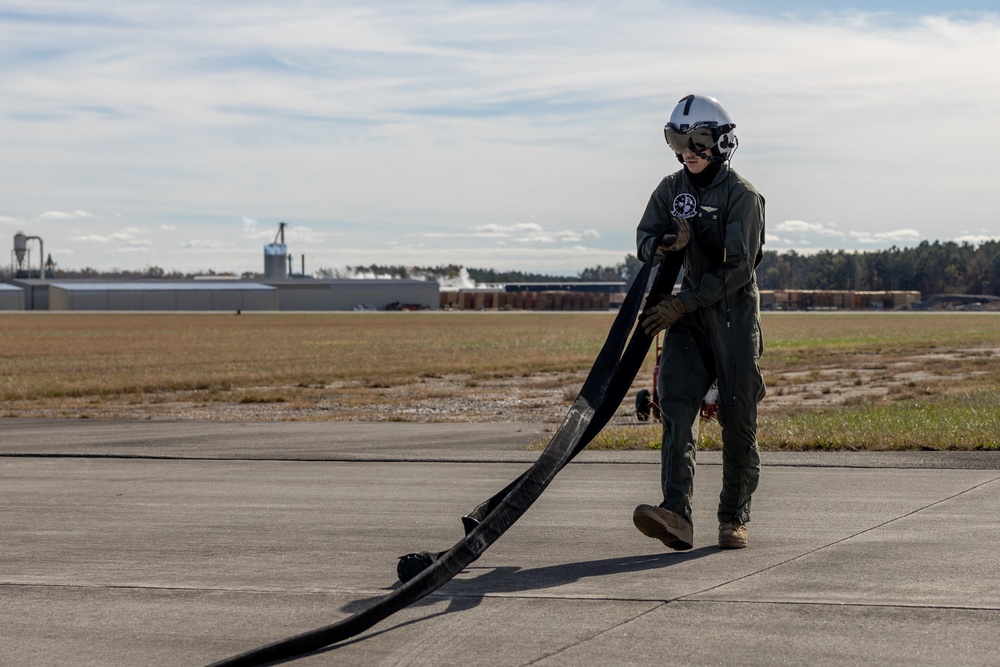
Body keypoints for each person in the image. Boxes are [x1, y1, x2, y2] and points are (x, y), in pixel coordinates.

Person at [632, 94, 766, 550]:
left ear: (721, 143)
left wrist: (683, 302)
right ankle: (676, 514)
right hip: (688, 319)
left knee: (738, 417)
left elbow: (737, 269)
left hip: (731, 316)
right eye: (677, 138)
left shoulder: (742, 196)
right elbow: (644, 238)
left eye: (698, 139)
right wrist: (665, 244)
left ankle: (733, 518)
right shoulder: (672, 190)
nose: (687, 149)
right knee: (675, 406)